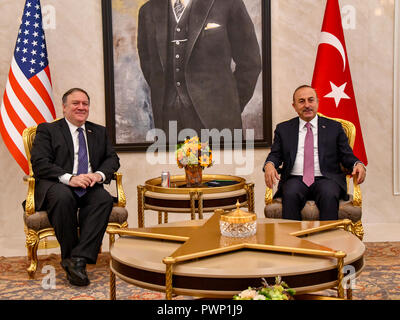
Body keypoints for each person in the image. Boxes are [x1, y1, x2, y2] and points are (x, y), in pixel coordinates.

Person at [30, 88, 120, 286]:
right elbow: (40, 163)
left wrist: (98, 175)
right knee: (63, 197)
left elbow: (112, 159)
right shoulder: (48, 130)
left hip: (88, 185)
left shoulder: (98, 131)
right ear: (64, 107)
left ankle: (76, 260)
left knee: (103, 199)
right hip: (58, 184)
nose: (81, 107)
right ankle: (72, 258)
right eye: (75, 103)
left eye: (85, 103)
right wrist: (69, 178)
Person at [137, 0, 262, 135]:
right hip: (167, 125)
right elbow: (149, 66)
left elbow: (250, 63)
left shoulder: (229, 3)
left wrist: (230, 106)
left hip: (219, 123)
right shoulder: (147, 11)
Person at [263, 85, 366, 221]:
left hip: (327, 179)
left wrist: (357, 164)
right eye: (301, 101)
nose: (307, 105)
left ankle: (327, 241)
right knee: (290, 193)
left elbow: (346, 155)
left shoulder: (334, 128)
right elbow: (275, 154)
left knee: (328, 193)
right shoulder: (284, 129)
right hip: (295, 179)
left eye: (311, 100)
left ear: (317, 102)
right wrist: (269, 165)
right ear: (294, 106)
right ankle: (291, 241)